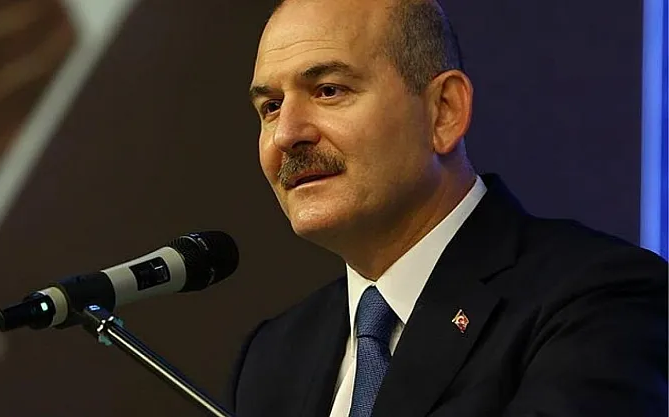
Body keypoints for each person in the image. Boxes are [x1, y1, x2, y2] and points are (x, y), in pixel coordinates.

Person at [228, 0, 668, 415]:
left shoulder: (601, 300)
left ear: (444, 111)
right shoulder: (273, 356)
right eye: (271, 107)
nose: (286, 134)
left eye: (328, 90)